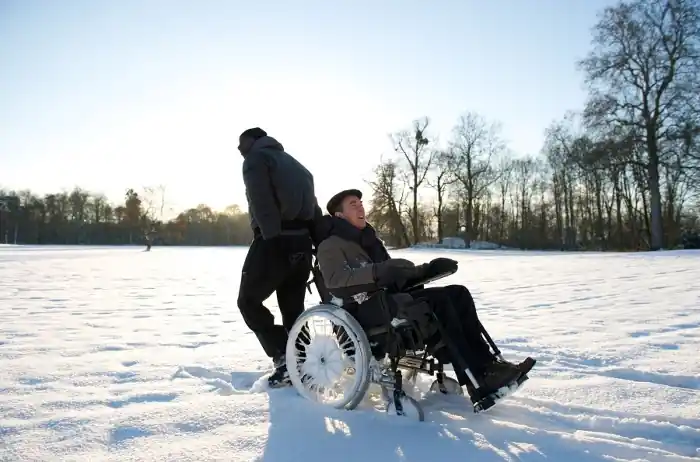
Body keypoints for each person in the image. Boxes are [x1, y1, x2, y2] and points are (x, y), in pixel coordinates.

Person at [315, 188, 534, 404]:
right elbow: (335, 280)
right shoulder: (331, 244)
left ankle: (489, 366)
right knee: (438, 302)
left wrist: (426, 271)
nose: (360, 206)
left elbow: (394, 274)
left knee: (458, 294)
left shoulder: (369, 241)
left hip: (391, 301)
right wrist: (379, 271)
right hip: (365, 311)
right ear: (339, 215)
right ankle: (478, 380)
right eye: (353, 204)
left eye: (361, 203)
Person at [237, 127, 323, 387]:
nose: (239, 150)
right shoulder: (298, 166)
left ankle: (284, 358)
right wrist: (317, 243)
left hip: (276, 240)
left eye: (241, 144)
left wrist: (271, 237)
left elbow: (260, 199)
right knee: (293, 308)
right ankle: (303, 361)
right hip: (302, 242)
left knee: (248, 301)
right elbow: (314, 206)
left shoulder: (256, 159)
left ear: (253, 141)